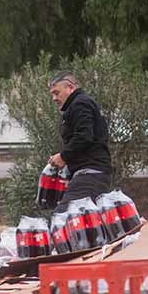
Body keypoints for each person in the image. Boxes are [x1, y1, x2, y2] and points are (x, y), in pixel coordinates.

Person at [47, 72, 113, 210]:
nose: (54, 98)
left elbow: (84, 136)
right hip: (91, 174)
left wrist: (63, 156)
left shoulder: (80, 103)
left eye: (56, 92)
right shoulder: (78, 104)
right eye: (52, 94)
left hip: (90, 174)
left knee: (64, 217)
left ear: (70, 88)